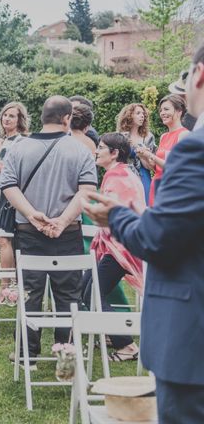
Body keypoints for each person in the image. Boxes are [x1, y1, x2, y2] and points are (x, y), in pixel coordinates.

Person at [83, 43, 204, 422]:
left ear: (198, 77)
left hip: (191, 339)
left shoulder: (194, 149)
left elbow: (159, 239)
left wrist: (117, 217)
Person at [0, 96, 98, 368]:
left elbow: (8, 185)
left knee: (30, 292)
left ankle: (27, 356)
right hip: (67, 234)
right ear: (67, 118)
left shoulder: (19, 148)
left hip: (28, 230)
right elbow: (87, 191)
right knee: (68, 296)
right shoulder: (80, 150)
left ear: (41, 117)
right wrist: (63, 221)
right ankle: (64, 354)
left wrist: (31, 214)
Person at [80, 133, 144, 361]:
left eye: (101, 147)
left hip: (121, 247)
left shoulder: (118, 177)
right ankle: (111, 334)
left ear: (115, 153)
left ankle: (127, 345)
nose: (96, 151)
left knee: (91, 294)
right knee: (85, 288)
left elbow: (116, 215)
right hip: (115, 246)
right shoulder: (119, 173)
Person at [0, 101, 30, 302]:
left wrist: (1, 169)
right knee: (5, 241)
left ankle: (6, 286)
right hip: (3, 197)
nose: (7, 118)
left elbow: (23, 170)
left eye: (12, 116)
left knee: (5, 241)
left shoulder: (22, 141)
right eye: (5, 115)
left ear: (20, 120)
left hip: (13, 198)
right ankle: (11, 285)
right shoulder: (5, 141)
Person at [138, 94, 189, 206]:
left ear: (179, 111)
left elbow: (173, 167)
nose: (162, 113)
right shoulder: (163, 136)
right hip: (156, 186)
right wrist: (143, 155)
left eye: (166, 109)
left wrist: (151, 155)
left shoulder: (184, 135)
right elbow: (157, 168)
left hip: (171, 189)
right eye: (161, 110)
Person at [116, 103, 156, 204]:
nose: (142, 116)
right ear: (129, 116)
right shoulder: (121, 137)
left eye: (143, 114)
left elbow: (150, 166)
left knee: (144, 205)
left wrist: (141, 153)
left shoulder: (148, 137)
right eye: (138, 113)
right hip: (124, 176)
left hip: (143, 176)